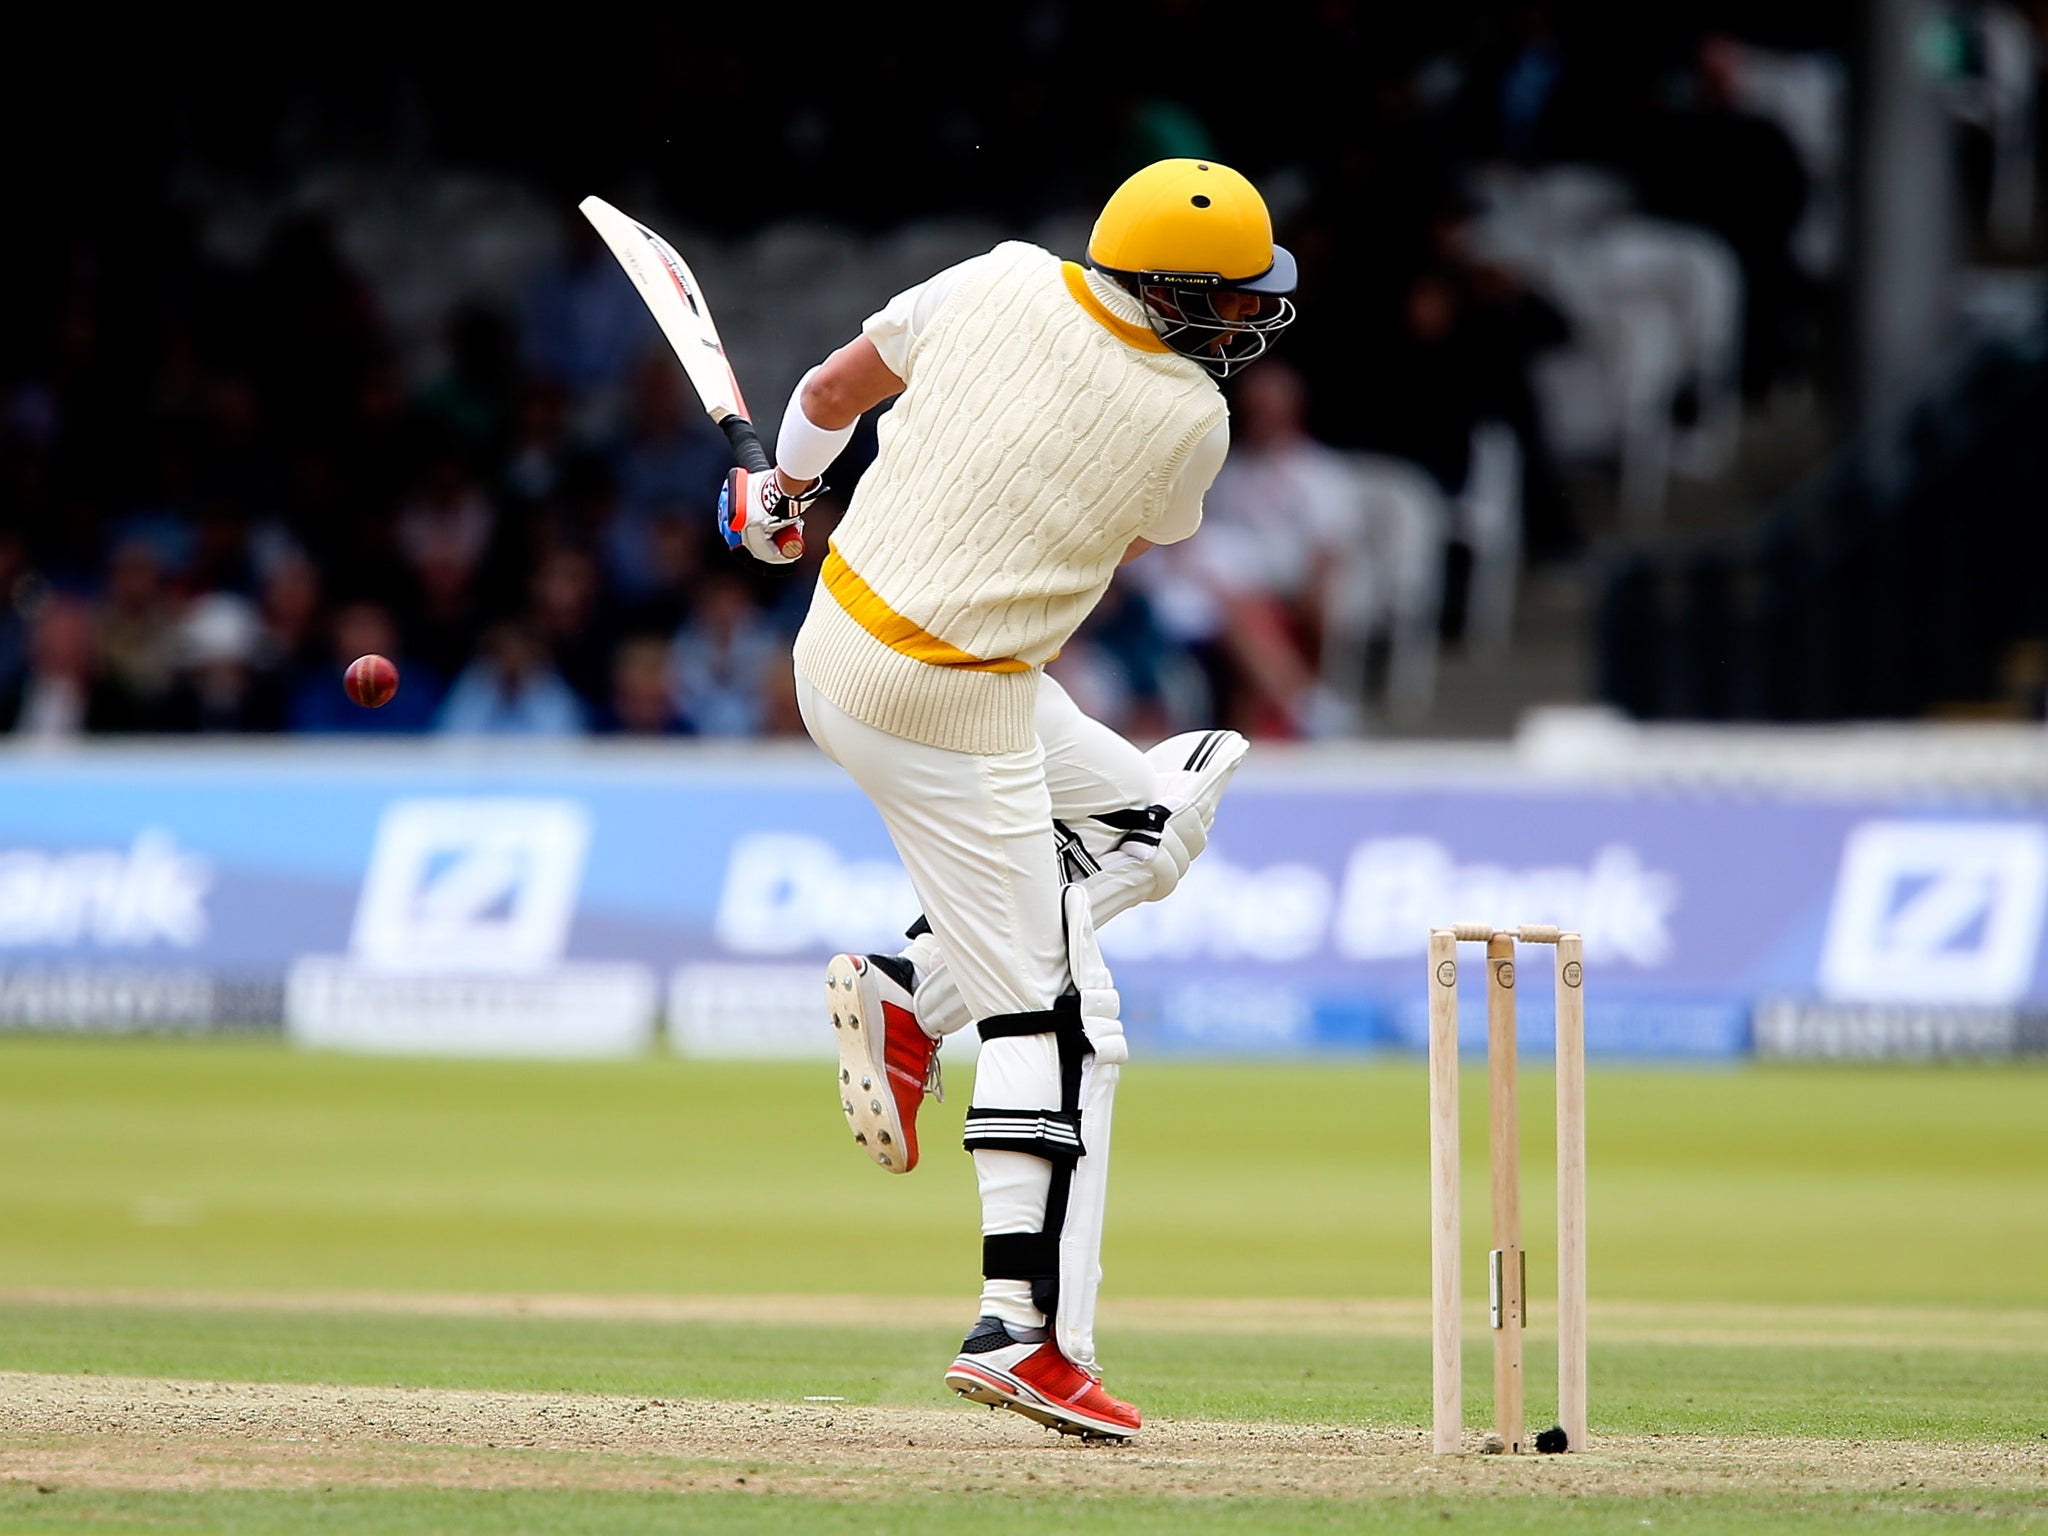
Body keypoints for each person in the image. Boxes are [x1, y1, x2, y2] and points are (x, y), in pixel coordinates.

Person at [715, 159, 1294, 1439]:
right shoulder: (1187, 418)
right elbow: (1133, 529)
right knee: (1061, 1016)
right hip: (949, 701)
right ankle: (1015, 1333)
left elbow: (821, 396)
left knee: (1149, 817)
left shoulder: (997, 274)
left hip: (839, 643)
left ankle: (911, 991)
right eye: (1234, 302)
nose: (1247, 324)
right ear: (1170, 291)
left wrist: (780, 497)